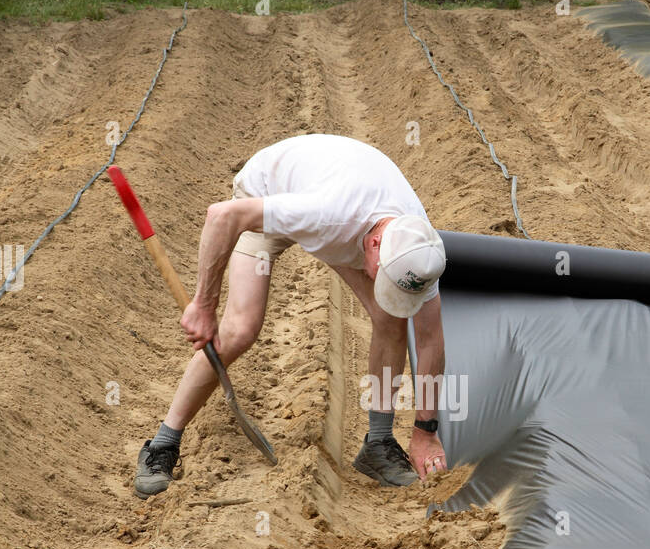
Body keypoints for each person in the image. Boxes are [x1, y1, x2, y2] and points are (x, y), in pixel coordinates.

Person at [134, 133, 448, 497]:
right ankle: (162, 444)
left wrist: (426, 431)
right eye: (385, 278)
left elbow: (430, 338)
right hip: (269, 193)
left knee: (390, 316)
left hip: (336, 201)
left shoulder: (417, 247)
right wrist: (204, 305)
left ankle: (378, 444)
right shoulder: (326, 214)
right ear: (375, 243)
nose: (387, 286)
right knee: (240, 329)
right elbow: (222, 216)